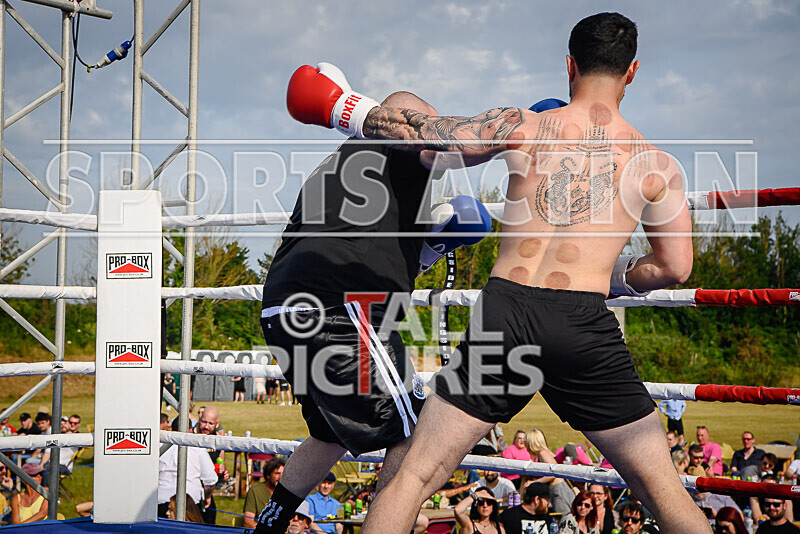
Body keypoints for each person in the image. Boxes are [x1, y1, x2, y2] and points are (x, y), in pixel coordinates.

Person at [285, 11, 711, 533]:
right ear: (634, 71)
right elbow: (675, 266)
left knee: (416, 476)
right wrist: (616, 274)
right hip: (581, 321)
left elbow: (428, 139)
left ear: (570, 66)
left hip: (505, 313)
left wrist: (344, 108)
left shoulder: (523, 124)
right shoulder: (656, 164)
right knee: (661, 490)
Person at [251, 91, 491, 534]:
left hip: (284, 309)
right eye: (421, 120)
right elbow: (459, 144)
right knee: (416, 427)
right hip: (339, 310)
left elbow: (369, 246)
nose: (427, 129)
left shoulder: (341, 173)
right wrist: (531, 131)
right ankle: (387, 525)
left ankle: (270, 522)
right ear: (394, 119)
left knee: (329, 432)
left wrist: (431, 246)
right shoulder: (395, 145)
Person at [157, 443, 217, 519]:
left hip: (162, 501)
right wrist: (207, 497)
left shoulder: (158, 445)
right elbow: (210, 480)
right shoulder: (198, 448)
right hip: (188, 503)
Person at [524, 429, 575, 514]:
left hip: (558, 490)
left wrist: (534, 482)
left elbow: (553, 474)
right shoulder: (542, 453)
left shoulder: (543, 453)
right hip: (556, 489)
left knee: (563, 517)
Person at [194, 406, 229, 523]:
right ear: (199, 419)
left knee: (210, 518)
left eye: (210, 423)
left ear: (217, 423)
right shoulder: (189, 436)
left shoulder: (218, 440)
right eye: (204, 422)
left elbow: (220, 464)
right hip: (191, 490)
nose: (206, 426)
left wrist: (223, 473)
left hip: (208, 490)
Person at [244, 457, 285, 528]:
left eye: (283, 474)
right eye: (277, 473)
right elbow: (248, 521)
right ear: (268, 475)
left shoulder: (289, 493)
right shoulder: (255, 491)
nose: (281, 477)